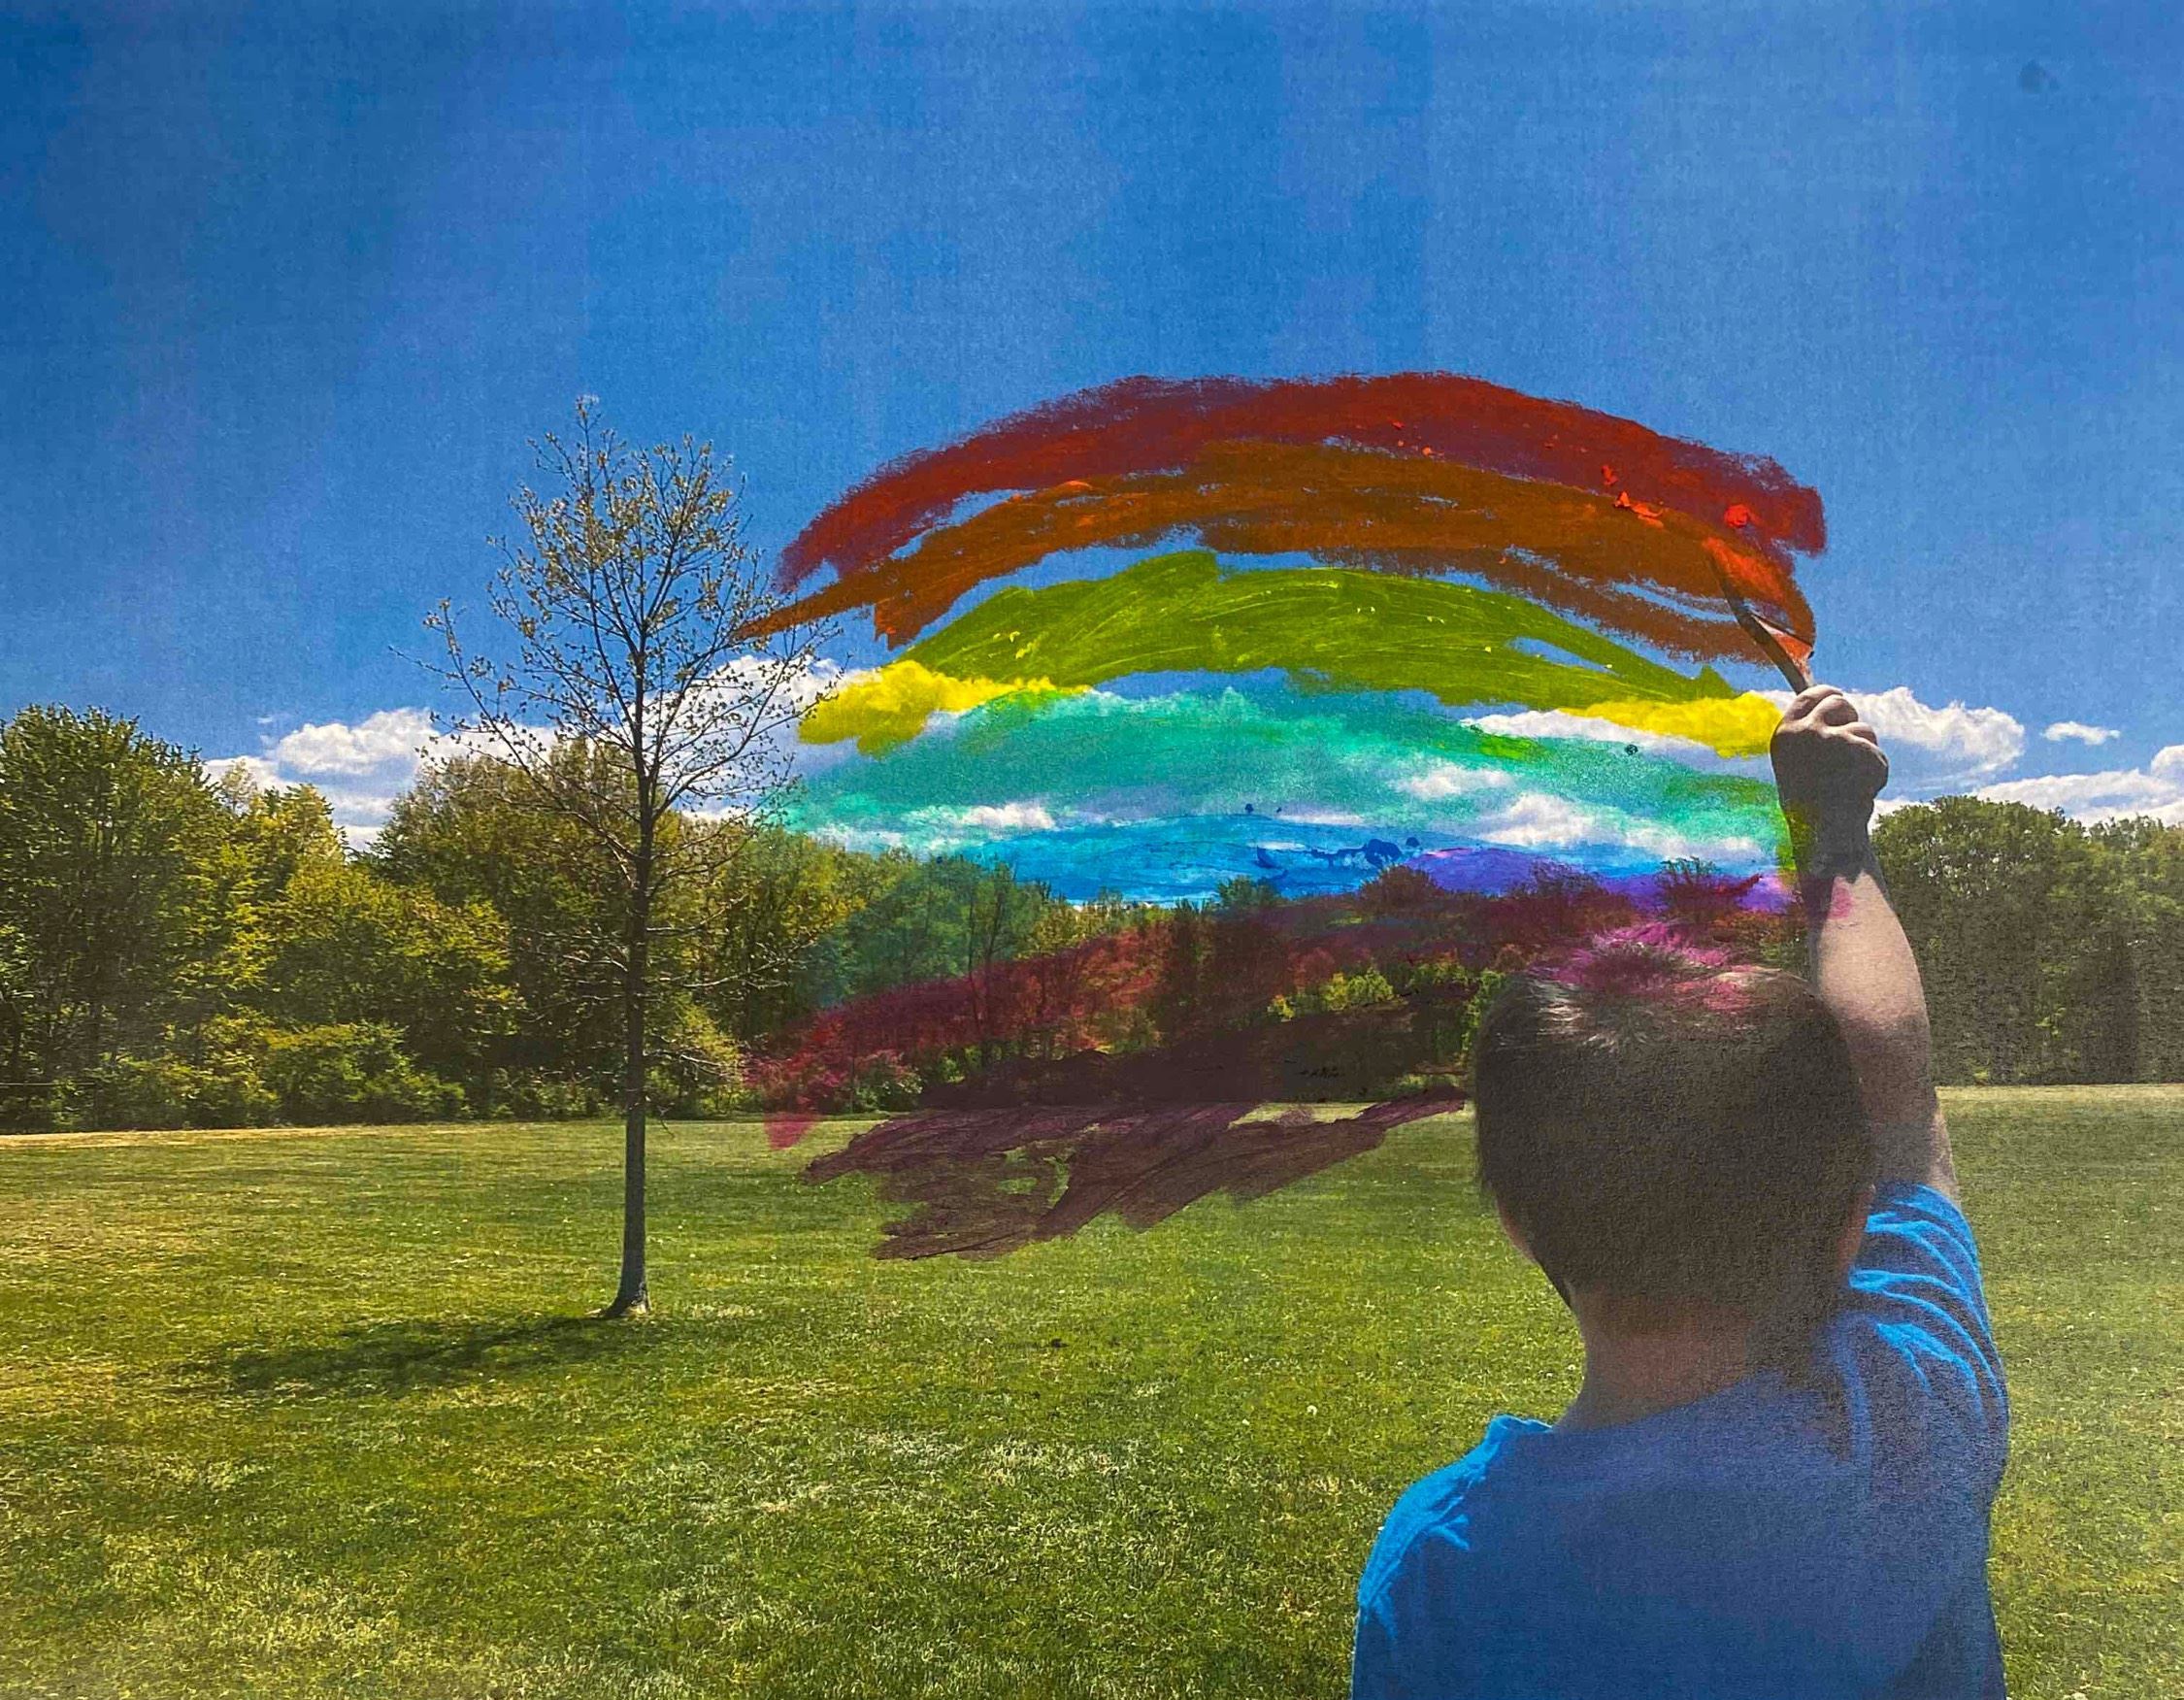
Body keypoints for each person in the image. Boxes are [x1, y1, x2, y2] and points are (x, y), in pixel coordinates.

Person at [1352, 685, 2009, 1698]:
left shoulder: (1443, 1569)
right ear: (1851, 1222)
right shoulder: (1911, 1416)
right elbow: (1897, 1100)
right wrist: (1834, 831)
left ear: (1519, 1222)